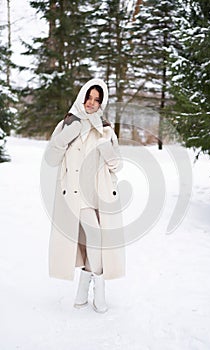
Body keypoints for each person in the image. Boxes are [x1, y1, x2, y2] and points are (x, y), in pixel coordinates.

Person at [43, 78, 125, 313]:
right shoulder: (68, 122)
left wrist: (105, 146)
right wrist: (68, 135)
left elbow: (117, 165)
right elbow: (51, 158)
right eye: (89, 97)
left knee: (94, 242)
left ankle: (82, 293)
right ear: (82, 96)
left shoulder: (106, 129)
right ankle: (99, 293)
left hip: (99, 195)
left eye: (96, 100)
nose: (91, 103)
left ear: (102, 103)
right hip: (76, 195)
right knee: (96, 238)